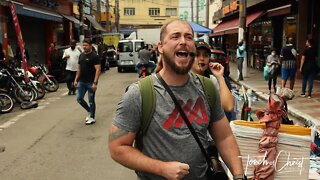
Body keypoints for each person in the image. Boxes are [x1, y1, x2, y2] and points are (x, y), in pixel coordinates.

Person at [108, 19, 244, 180]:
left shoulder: (207, 88)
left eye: (188, 37)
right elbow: (117, 147)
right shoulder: (139, 94)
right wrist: (161, 168)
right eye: (175, 37)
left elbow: (224, 137)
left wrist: (239, 175)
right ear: (160, 47)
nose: (183, 42)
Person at [192, 41, 234, 113]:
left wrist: (220, 77)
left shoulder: (212, 80)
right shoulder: (183, 79)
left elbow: (229, 107)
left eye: (205, 55)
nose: (202, 58)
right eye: (197, 55)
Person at [74, 38, 101, 125]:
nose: (84, 47)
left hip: (90, 82)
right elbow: (79, 68)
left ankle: (92, 117)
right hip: (81, 82)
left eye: (86, 45)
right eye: (83, 45)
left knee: (91, 100)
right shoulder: (81, 55)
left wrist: (95, 83)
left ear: (90, 46)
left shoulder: (94, 56)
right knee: (79, 98)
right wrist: (76, 80)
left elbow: (98, 70)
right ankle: (90, 111)